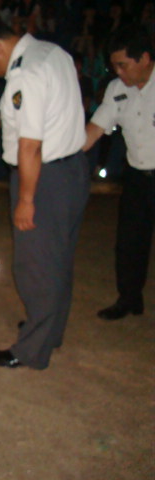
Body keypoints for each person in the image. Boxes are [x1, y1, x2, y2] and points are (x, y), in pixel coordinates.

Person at [0, 16, 89, 370]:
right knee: (58, 259)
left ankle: (31, 350)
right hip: (72, 170)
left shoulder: (25, 73)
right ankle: (49, 331)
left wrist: (25, 199)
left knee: (35, 266)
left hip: (43, 178)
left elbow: (30, 145)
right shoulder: (54, 53)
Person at [83, 26, 154, 321]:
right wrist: (60, 155)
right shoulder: (116, 88)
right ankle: (129, 299)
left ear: (145, 58)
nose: (118, 72)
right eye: (114, 66)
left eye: (123, 65)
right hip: (137, 175)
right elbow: (95, 129)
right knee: (129, 242)